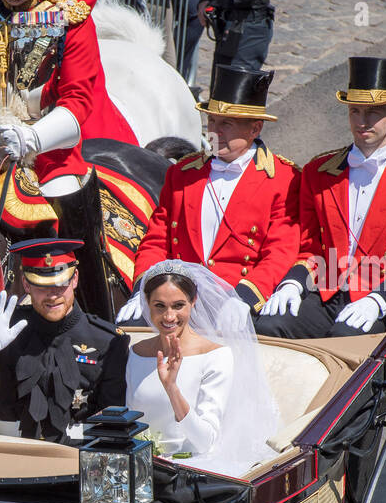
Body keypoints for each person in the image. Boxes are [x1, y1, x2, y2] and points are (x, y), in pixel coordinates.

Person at [0, 0, 138, 319]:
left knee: (66, 194)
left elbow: (78, 103)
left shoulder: (69, 17)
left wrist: (31, 138)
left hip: (48, 154)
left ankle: (98, 318)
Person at [256, 56, 386, 338]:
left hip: (378, 295)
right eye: (355, 111)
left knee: (345, 339)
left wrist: (377, 302)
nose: (362, 122)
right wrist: (293, 284)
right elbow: (310, 247)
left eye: (372, 113)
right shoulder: (318, 172)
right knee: (268, 326)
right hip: (326, 290)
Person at [123, 65, 298, 318]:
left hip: (235, 303)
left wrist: (245, 299)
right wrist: (144, 289)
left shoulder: (283, 179)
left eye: (226, 123)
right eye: (212, 121)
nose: (215, 132)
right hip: (175, 301)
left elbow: (280, 252)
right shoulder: (182, 173)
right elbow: (157, 241)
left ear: (255, 128)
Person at [96, 259, 279, 476]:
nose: (169, 316)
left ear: (194, 301)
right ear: (147, 302)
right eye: (160, 306)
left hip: (192, 470)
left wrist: (172, 388)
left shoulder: (216, 356)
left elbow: (204, 441)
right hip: (139, 468)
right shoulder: (135, 353)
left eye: (178, 305)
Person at [0, 238, 120, 444]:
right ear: (26, 284)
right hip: (11, 454)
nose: (53, 295)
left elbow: (113, 418)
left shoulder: (105, 339)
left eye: (61, 283)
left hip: (79, 455)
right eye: (42, 285)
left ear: (75, 279)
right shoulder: (5, 326)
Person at [198, 0, 276, 74]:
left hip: (247, 26)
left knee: (232, 83)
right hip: (236, 23)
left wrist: (213, 1)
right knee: (221, 82)